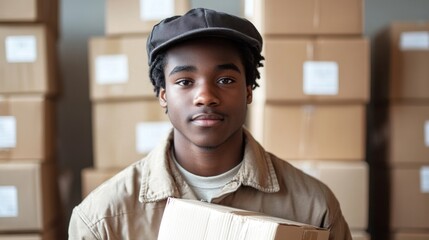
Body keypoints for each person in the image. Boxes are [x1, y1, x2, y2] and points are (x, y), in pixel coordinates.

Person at [69, 8, 352, 240]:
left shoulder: (314, 207)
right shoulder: (102, 219)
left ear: (249, 91)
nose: (205, 96)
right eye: (185, 82)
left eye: (225, 80)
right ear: (163, 95)